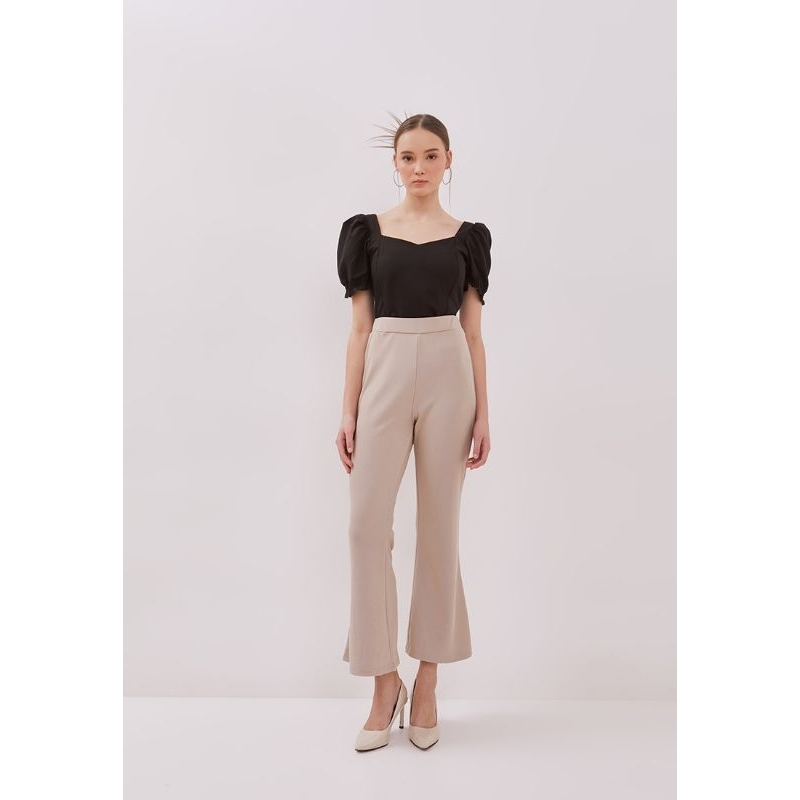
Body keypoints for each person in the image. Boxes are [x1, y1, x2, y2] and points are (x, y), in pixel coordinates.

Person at [334, 112, 492, 751]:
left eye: (430, 156)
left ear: (449, 160)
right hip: (386, 366)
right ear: (394, 164)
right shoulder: (367, 233)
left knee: (439, 529)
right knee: (365, 525)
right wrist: (348, 409)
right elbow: (359, 330)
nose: (419, 167)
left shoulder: (468, 239)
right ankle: (383, 683)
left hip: (451, 370)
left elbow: (474, 333)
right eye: (408, 157)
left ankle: (426, 682)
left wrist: (485, 412)